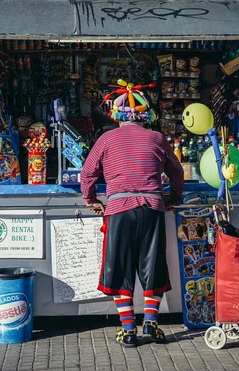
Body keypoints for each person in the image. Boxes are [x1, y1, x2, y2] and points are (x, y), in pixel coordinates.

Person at [81, 94, 184, 348]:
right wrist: (174, 197)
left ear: (117, 117)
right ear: (145, 115)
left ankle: (128, 330)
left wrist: (91, 199)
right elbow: (176, 172)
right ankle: (150, 324)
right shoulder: (157, 138)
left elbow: (87, 173)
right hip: (152, 208)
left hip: (118, 210)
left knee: (119, 267)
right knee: (154, 265)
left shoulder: (106, 139)